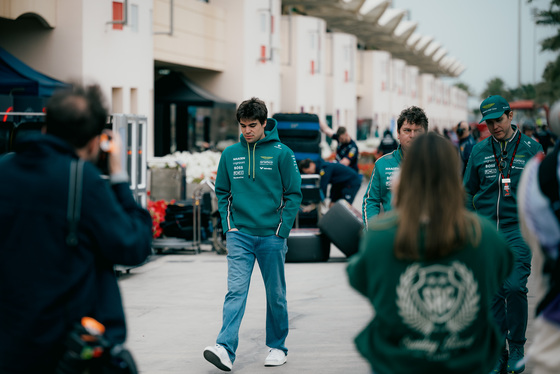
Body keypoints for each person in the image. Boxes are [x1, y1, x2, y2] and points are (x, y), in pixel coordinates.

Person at [0, 84, 153, 373]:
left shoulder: (4, 172)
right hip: (67, 352)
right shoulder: (83, 180)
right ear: (96, 142)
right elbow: (134, 245)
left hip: (9, 347)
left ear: (46, 128)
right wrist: (119, 176)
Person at [347, 133, 514, 374]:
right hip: (468, 361)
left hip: (398, 364)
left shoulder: (380, 237)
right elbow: (501, 271)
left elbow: (360, 279)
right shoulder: (485, 236)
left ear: (404, 175)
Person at [203, 97, 302, 371]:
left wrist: (282, 230)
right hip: (240, 236)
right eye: (243, 126)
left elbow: (294, 194)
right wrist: (228, 226)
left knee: (276, 295)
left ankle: (277, 347)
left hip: (272, 235)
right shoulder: (230, 154)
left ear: (264, 123)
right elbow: (221, 192)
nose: (247, 131)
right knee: (235, 291)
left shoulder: (283, 153)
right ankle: (224, 348)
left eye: (252, 125)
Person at [463, 95, 543, 374]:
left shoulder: (533, 149)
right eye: (489, 122)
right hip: (486, 232)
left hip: (518, 231)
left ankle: (517, 345)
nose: (494, 126)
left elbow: (543, 191)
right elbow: (467, 191)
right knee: (494, 292)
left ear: (510, 116)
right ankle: (499, 350)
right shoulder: (478, 150)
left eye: (498, 119)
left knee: (514, 287)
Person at [362, 106, 428, 227]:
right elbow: (371, 201)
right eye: (407, 130)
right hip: (392, 235)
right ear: (398, 133)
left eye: (418, 131)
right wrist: (372, 231)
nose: (412, 135)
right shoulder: (382, 164)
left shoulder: (437, 163)